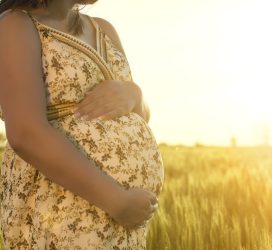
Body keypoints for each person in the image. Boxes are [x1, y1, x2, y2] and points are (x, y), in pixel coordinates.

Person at [0, 0, 164, 249]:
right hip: (63, 208)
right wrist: (116, 200)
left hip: (123, 223)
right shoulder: (16, 26)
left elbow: (140, 116)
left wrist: (134, 94)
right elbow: (26, 133)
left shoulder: (104, 30)